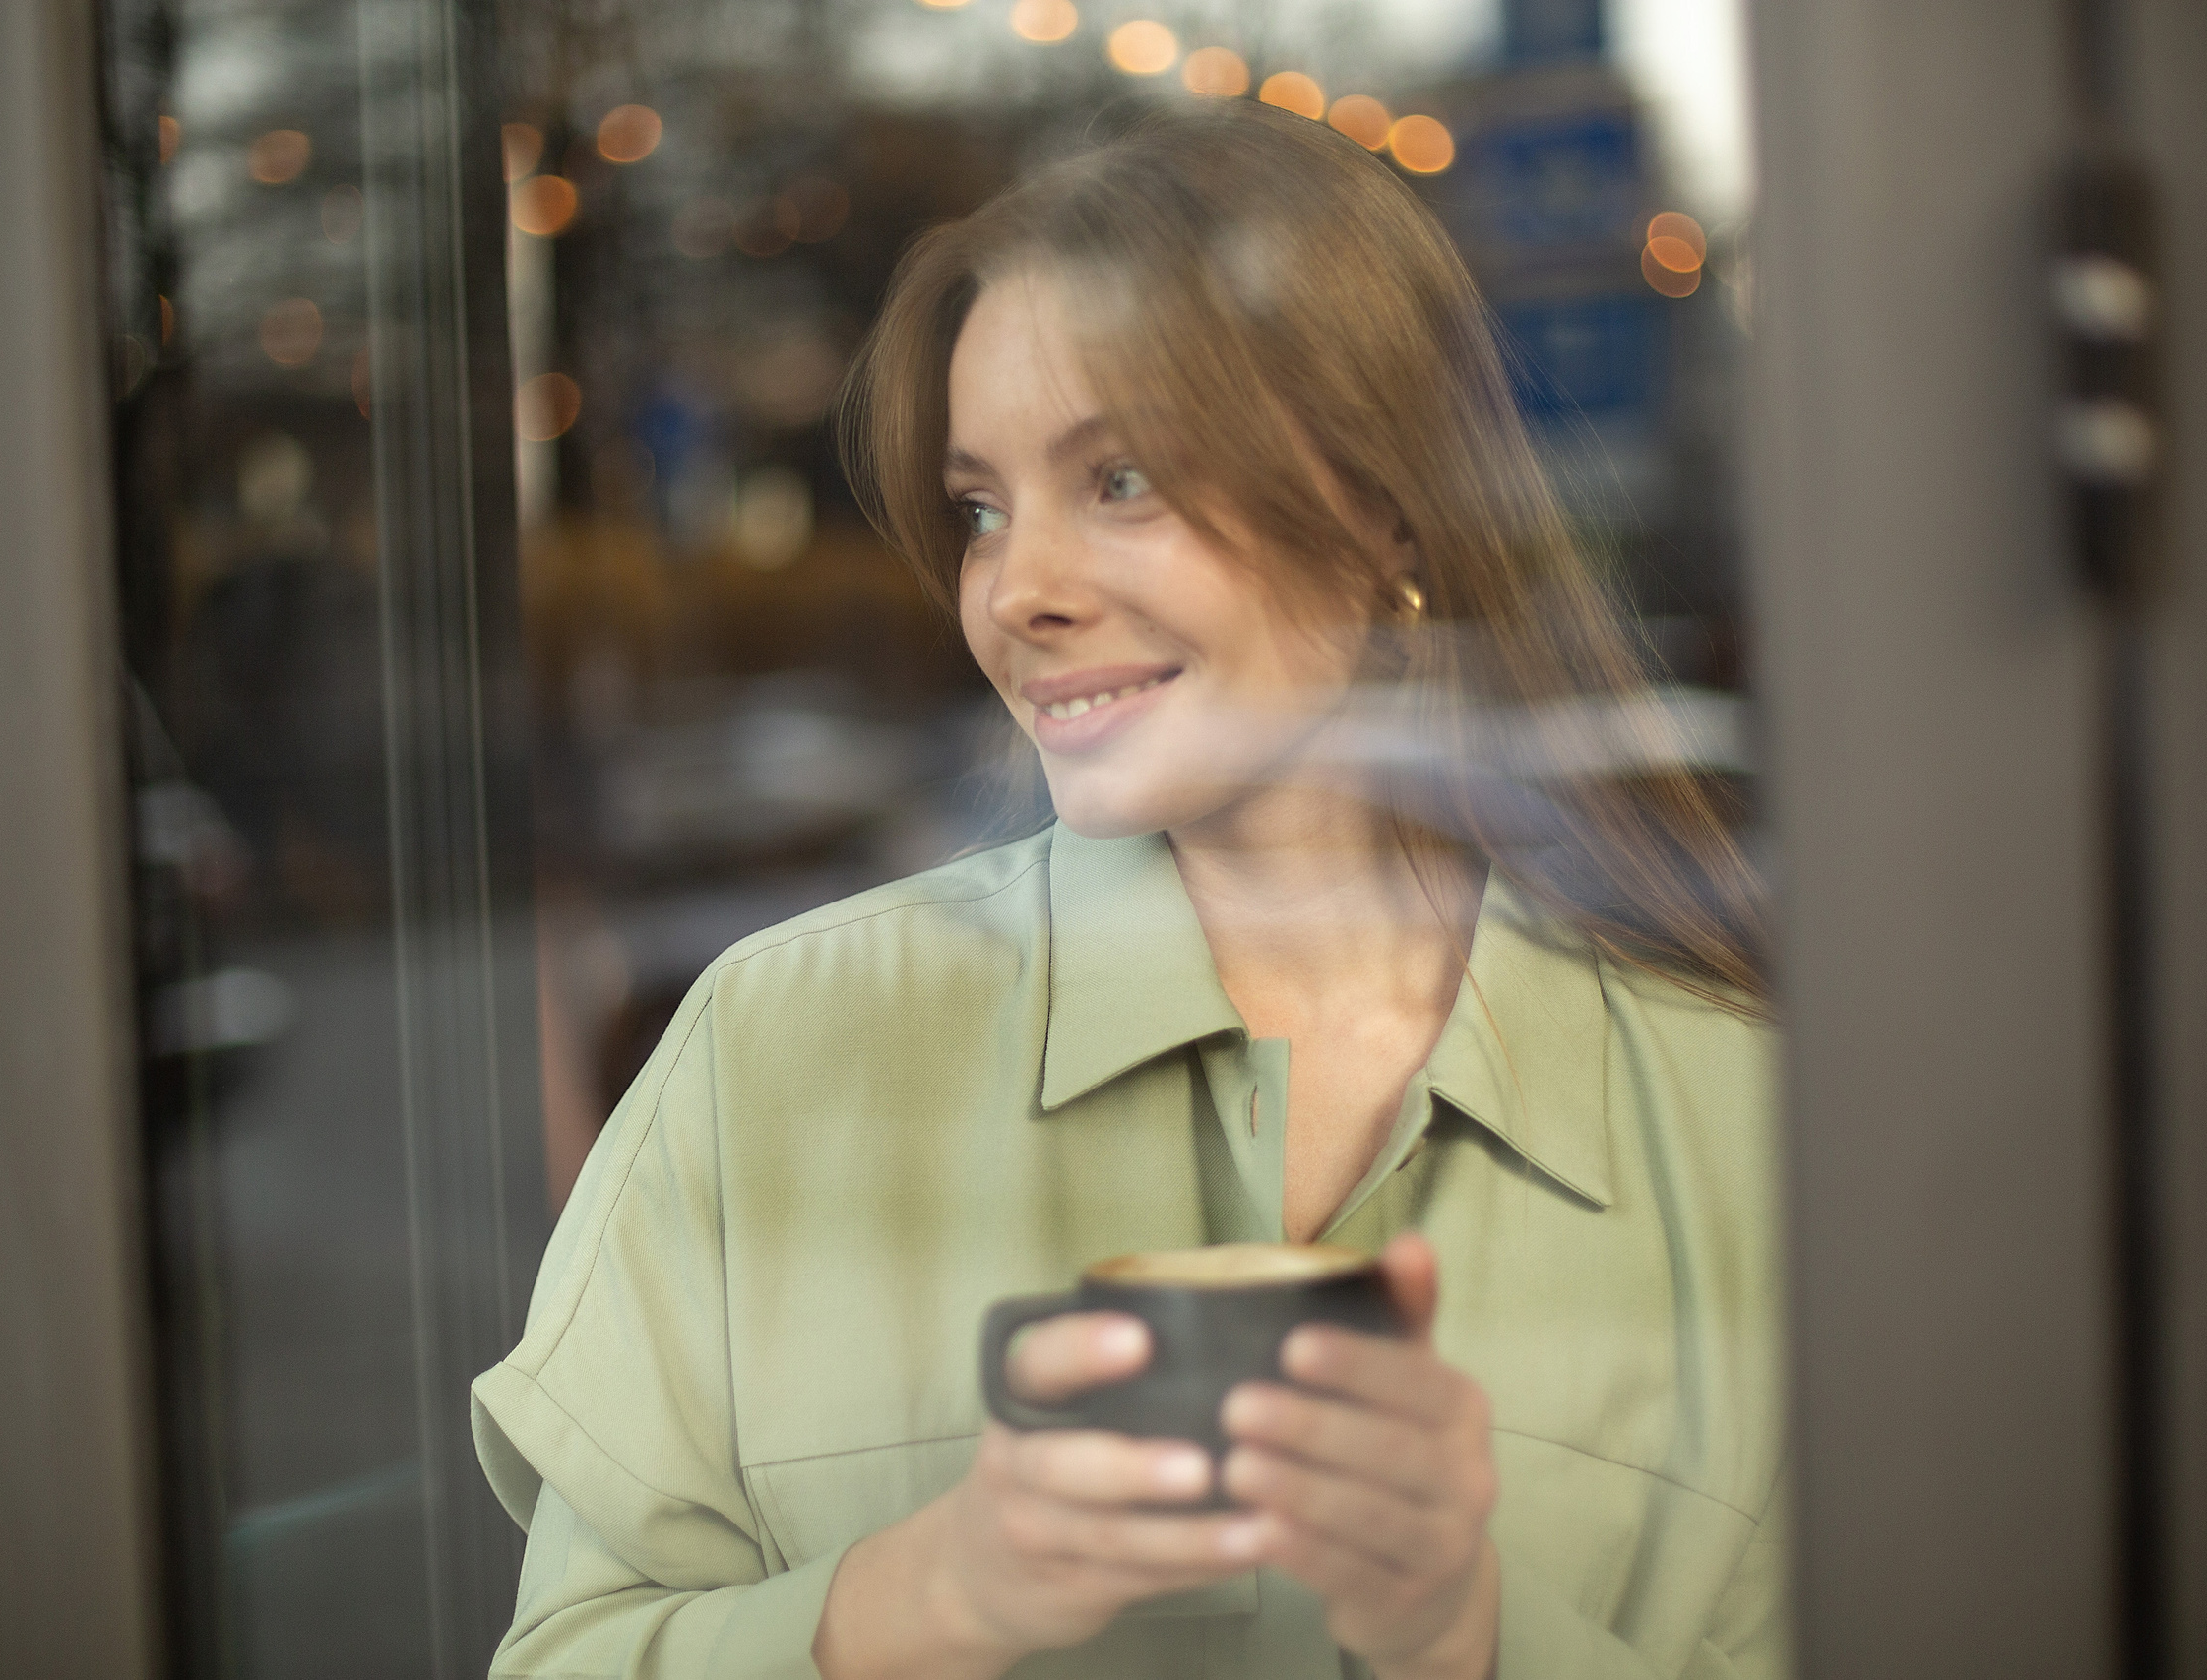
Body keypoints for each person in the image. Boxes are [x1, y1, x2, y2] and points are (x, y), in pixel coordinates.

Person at [473, 99, 1783, 1680]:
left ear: (1383, 516)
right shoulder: (773, 1052)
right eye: (979, 508)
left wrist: (1475, 1640)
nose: (1019, 589)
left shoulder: (1743, 1122)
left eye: (1123, 479)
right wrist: (928, 1600)